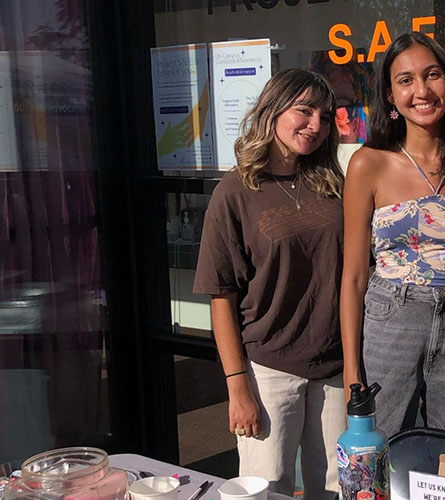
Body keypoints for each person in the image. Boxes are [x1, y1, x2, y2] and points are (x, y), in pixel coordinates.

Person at [193, 69, 346, 498]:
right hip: (270, 371)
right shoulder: (236, 191)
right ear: (273, 109)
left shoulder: (332, 184)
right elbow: (221, 295)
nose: (315, 125)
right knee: (268, 487)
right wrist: (236, 385)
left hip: (336, 370)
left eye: (325, 115)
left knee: (335, 489)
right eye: (303, 111)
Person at [340, 32, 445, 438]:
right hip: (391, 317)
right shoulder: (369, 164)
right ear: (389, 96)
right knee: (380, 447)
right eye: (405, 80)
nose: (421, 91)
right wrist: (352, 369)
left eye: (432, 75)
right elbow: (353, 276)